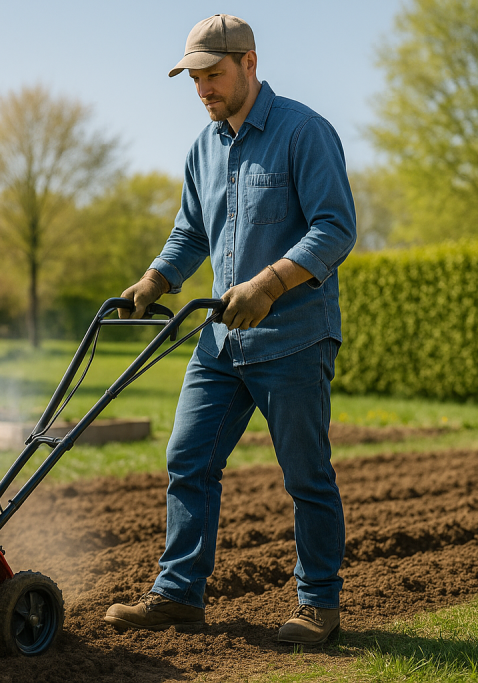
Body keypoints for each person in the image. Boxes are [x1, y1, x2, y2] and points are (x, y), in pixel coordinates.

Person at [103, 14, 356, 645]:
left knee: (305, 474)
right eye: (193, 79)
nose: (203, 91)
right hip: (221, 341)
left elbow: (335, 228)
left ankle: (318, 604)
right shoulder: (204, 147)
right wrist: (153, 282)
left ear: (248, 63)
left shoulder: (304, 132)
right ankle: (179, 595)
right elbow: (191, 231)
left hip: (293, 337)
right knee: (187, 459)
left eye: (212, 75)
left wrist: (268, 285)